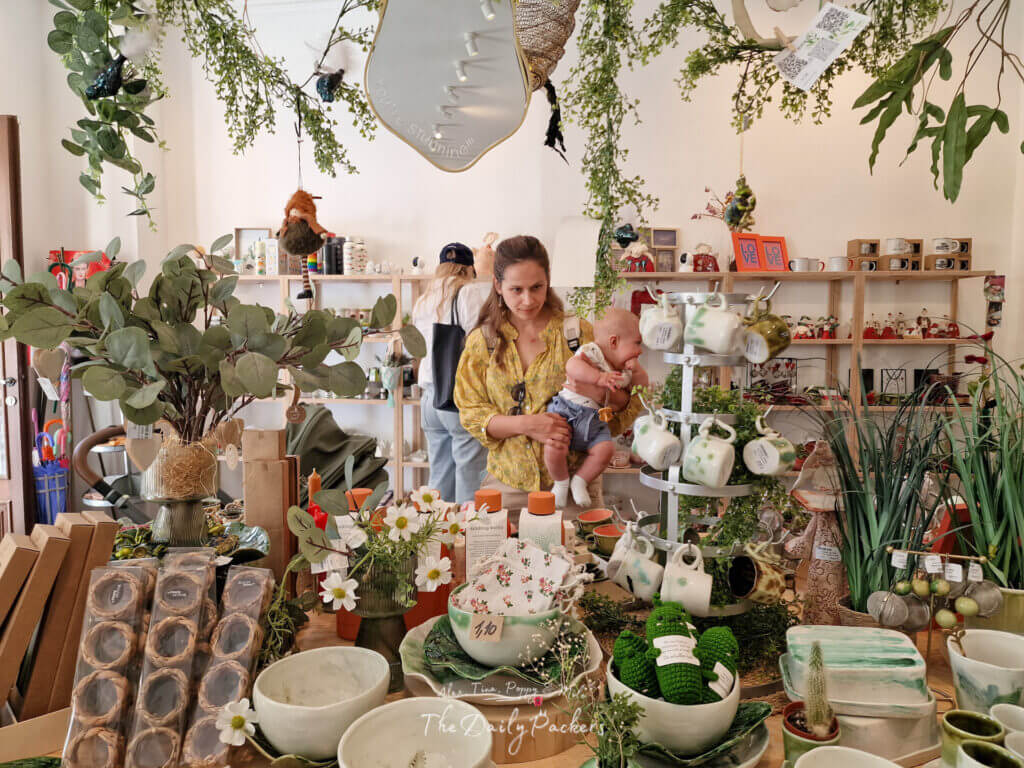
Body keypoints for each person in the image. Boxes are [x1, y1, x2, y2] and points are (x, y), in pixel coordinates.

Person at [454, 235, 647, 519]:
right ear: (497, 285)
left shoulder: (578, 334)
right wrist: (529, 424)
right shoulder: (482, 342)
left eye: (537, 287)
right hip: (506, 489)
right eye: (516, 289)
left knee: (579, 549)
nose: (528, 300)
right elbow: (471, 414)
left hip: (574, 495)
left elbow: (625, 403)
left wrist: (598, 392)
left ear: (548, 281)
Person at [411, 242, 490, 503]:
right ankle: (468, 530)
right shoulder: (467, 292)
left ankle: (436, 527)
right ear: (469, 270)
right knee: (470, 477)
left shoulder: (424, 299)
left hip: (429, 397)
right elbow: (482, 340)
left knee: (439, 476)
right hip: (457, 394)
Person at [545, 309, 645, 508]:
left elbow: (641, 389)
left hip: (595, 421)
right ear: (614, 341)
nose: (640, 351)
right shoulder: (593, 352)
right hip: (567, 412)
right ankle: (561, 483)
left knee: (605, 450)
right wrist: (598, 378)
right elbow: (572, 366)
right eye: (637, 343)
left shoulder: (624, 372)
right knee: (554, 445)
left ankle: (580, 481)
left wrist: (638, 372)